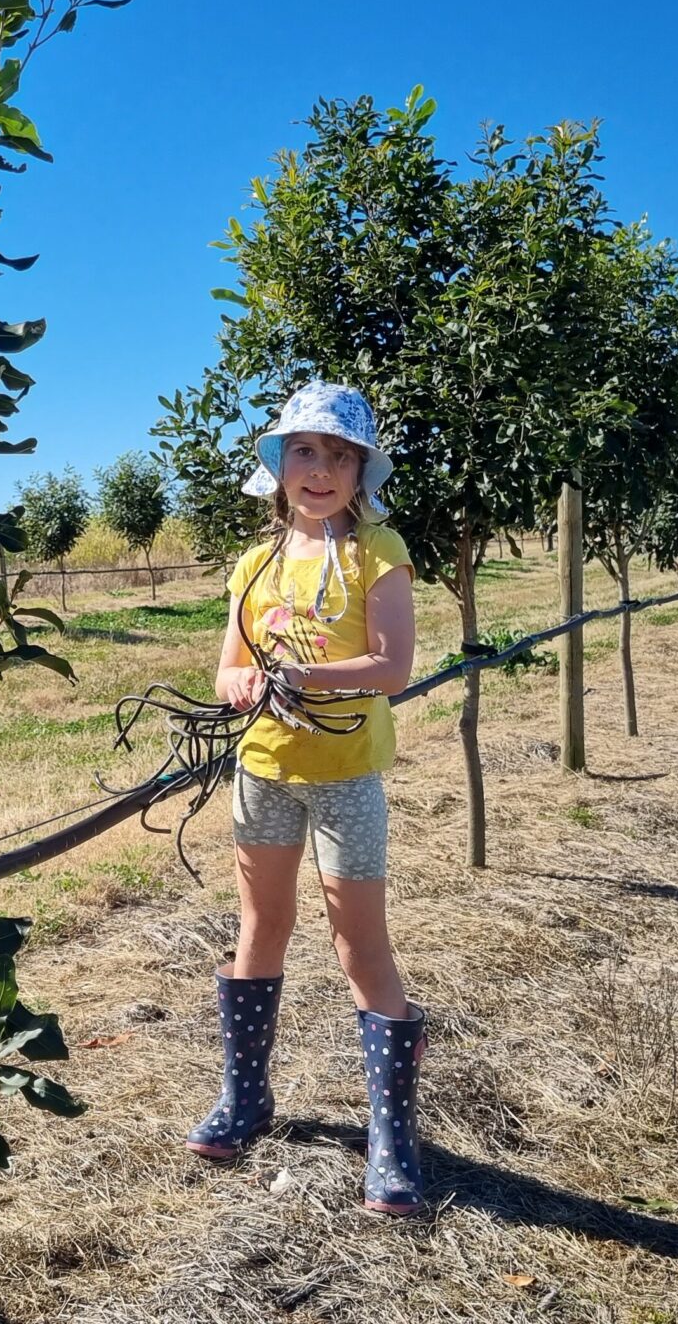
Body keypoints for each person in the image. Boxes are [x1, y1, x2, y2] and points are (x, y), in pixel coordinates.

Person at [182, 380, 427, 1217]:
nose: (320, 469)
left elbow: (393, 668)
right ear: (279, 466)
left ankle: (392, 1139)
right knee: (259, 928)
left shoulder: (377, 554)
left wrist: (300, 674)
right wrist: (243, 681)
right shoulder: (254, 565)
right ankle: (246, 1100)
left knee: (359, 943)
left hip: (345, 774)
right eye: (305, 451)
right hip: (264, 772)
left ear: (361, 473)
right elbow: (225, 668)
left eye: (339, 456)